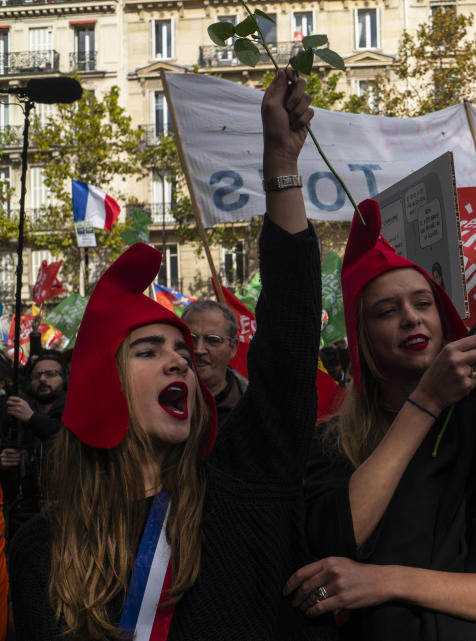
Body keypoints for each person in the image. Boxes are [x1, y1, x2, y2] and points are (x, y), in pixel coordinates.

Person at [8, 68, 332, 641]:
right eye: (150, 350)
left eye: (183, 349)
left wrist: (281, 165)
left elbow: (287, 344)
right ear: (103, 384)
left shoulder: (237, 490)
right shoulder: (41, 547)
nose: (182, 360)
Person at [292, 199, 476, 639]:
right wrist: (425, 403)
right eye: (386, 311)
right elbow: (333, 542)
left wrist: (385, 580)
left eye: (422, 302)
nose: (411, 318)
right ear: (361, 339)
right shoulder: (333, 442)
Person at [1, 350, 67, 537]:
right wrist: (3, 461)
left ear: (63, 379)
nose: (43, 379)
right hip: (22, 512)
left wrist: (31, 417)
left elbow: (64, 438)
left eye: (50, 374)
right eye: (37, 375)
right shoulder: (16, 414)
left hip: (64, 510)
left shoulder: (72, 410)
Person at [180, 300, 247, 423]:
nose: (199, 350)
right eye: (191, 338)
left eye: (212, 340)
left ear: (232, 347)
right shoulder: (155, 403)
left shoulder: (255, 408)